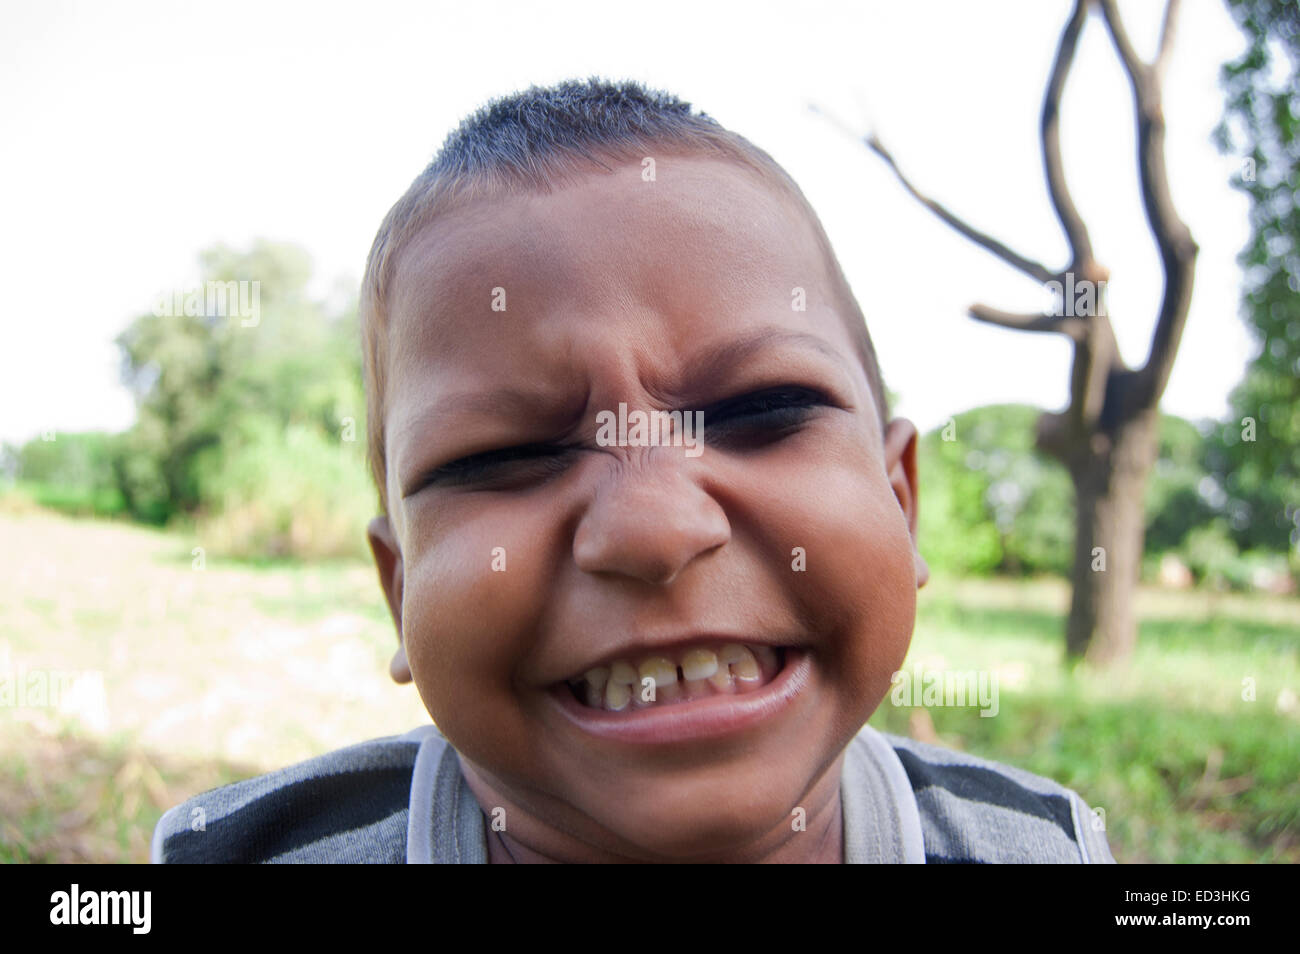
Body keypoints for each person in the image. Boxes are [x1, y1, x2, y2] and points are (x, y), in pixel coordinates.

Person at [152, 77, 1115, 863]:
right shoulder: (242, 857)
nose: (651, 527)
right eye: (503, 457)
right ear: (399, 588)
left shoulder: (1038, 848)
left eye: (762, 411)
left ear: (901, 505)